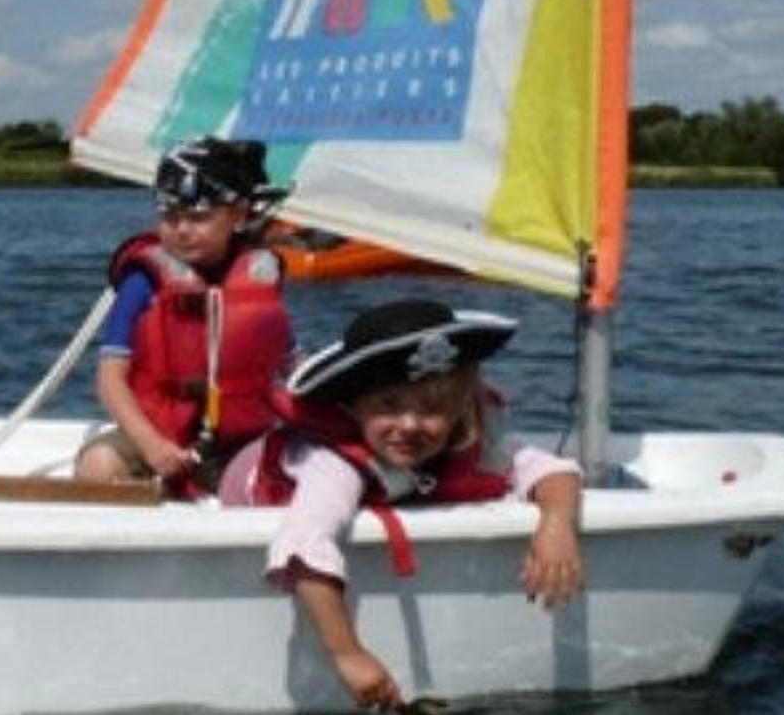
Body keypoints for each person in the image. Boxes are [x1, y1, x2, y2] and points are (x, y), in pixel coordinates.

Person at [219, 299, 584, 710]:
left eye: (432, 409)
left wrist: (556, 525)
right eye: (388, 405)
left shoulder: (470, 441)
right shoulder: (331, 464)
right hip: (239, 483)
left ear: (462, 406)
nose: (410, 425)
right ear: (353, 405)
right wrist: (347, 653)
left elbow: (553, 471)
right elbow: (304, 547)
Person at [73, 135, 294, 499]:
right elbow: (110, 380)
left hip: (236, 442)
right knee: (100, 465)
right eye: (169, 217)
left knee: (287, 475)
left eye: (198, 217)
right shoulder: (143, 282)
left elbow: (288, 363)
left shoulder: (257, 277)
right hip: (152, 432)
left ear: (238, 216)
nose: (181, 230)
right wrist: (151, 446)